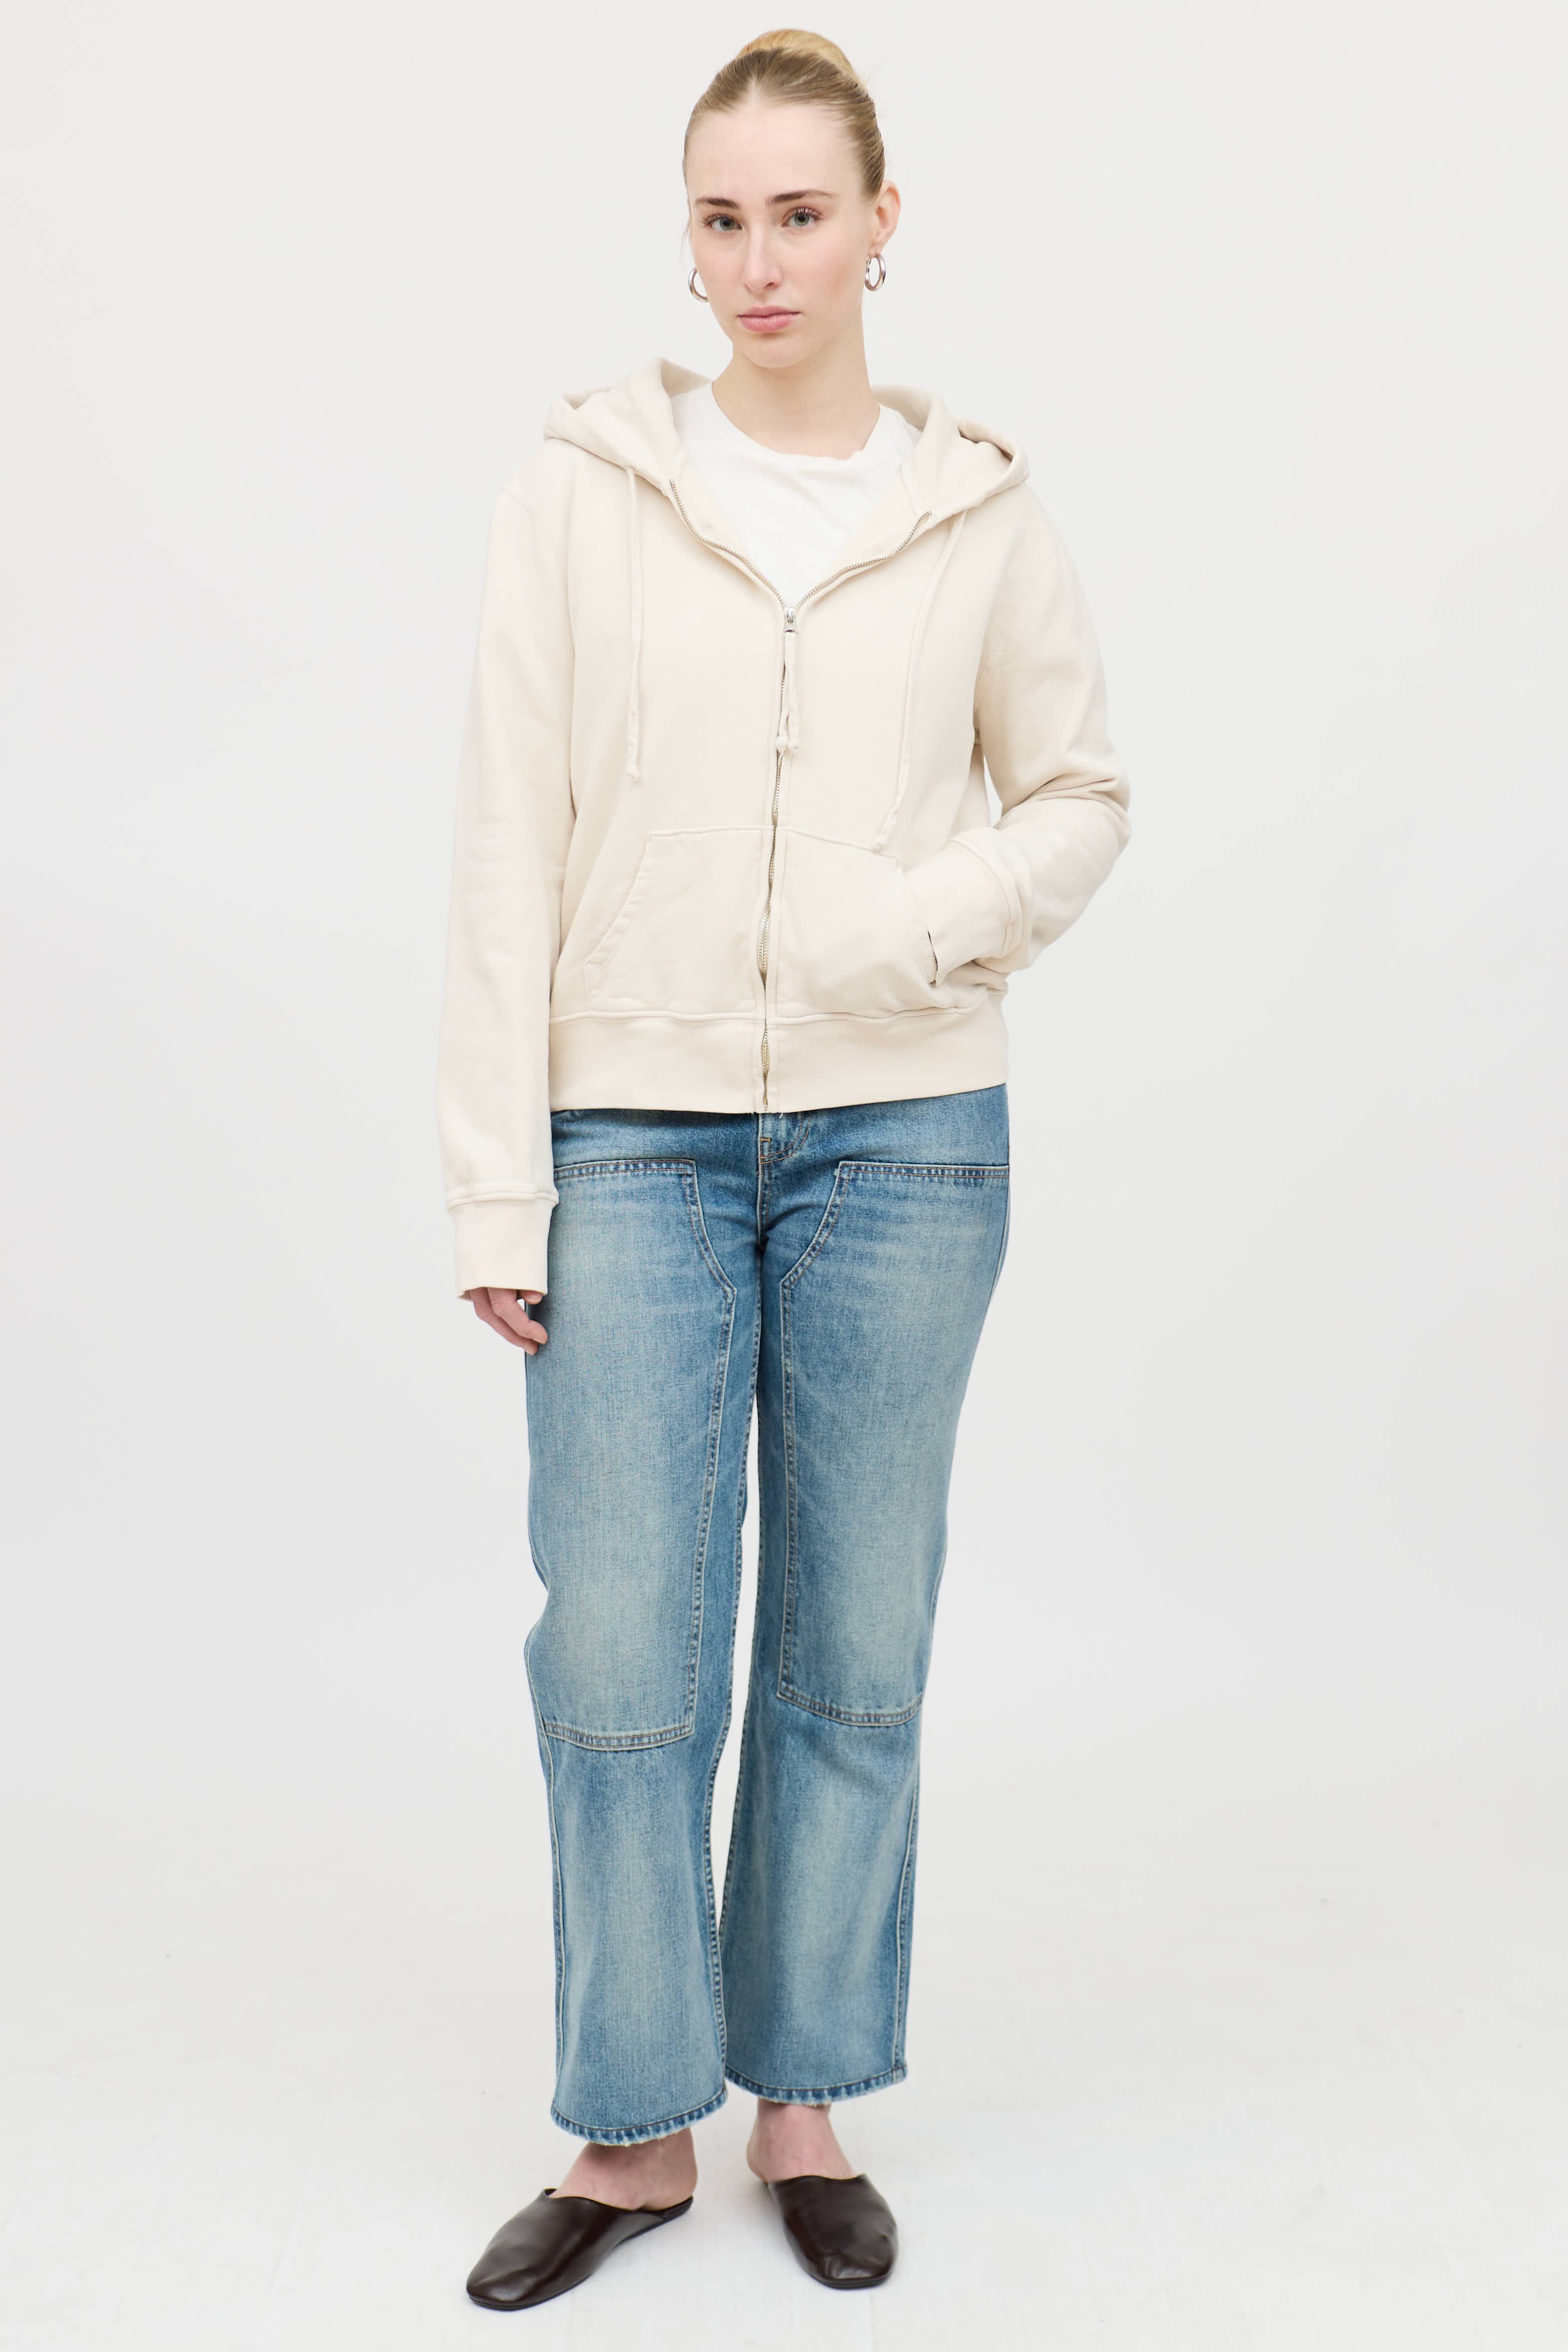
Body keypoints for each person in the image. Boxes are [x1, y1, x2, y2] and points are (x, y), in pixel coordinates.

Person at [435, 27, 1130, 2312]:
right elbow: (505, 840)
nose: (759, 260)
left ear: (882, 226)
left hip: (906, 1138)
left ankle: (806, 2094)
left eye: (802, 213)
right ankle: (632, 2127)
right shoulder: (585, 489)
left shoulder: (979, 510)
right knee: (617, 1644)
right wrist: (496, 1181)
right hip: (626, 1132)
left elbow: (1078, 796)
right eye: (722, 216)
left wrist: (906, 930)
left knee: (854, 1638)